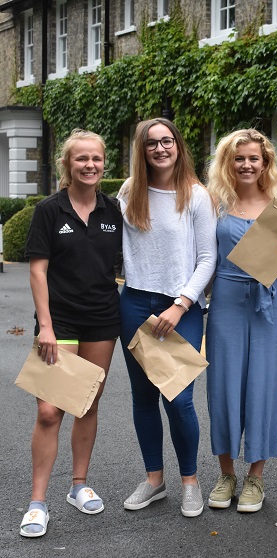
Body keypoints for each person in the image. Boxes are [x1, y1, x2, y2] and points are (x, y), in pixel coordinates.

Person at [20, 129, 122, 538]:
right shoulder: (49, 210)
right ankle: (37, 502)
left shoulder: (114, 210)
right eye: (81, 159)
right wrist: (45, 325)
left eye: (96, 158)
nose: (90, 165)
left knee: (87, 403)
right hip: (58, 323)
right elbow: (37, 270)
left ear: (104, 163)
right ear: (68, 164)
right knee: (49, 412)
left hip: (102, 319)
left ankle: (78, 485)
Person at [118, 118, 217, 518]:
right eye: (152, 143)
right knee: (143, 397)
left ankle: (190, 482)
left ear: (178, 145)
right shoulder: (129, 191)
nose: (161, 148)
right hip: (136, 303)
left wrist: (181, 304)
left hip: (182, 308)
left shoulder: (195, 195)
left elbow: (208, 258)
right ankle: (154, 480)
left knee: (179, 399)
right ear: (141, 150)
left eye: (167, 141)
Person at [205, 129, 277, 513]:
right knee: (224, 386)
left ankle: (256, 477)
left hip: (267, 302)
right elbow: (203, 257)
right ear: (228, 162)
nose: (246, 165)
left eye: (253, 159)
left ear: (265, 164)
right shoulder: (214, 204)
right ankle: (226, 473)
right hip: (226, 300)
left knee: (263, 387)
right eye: (239, 158)